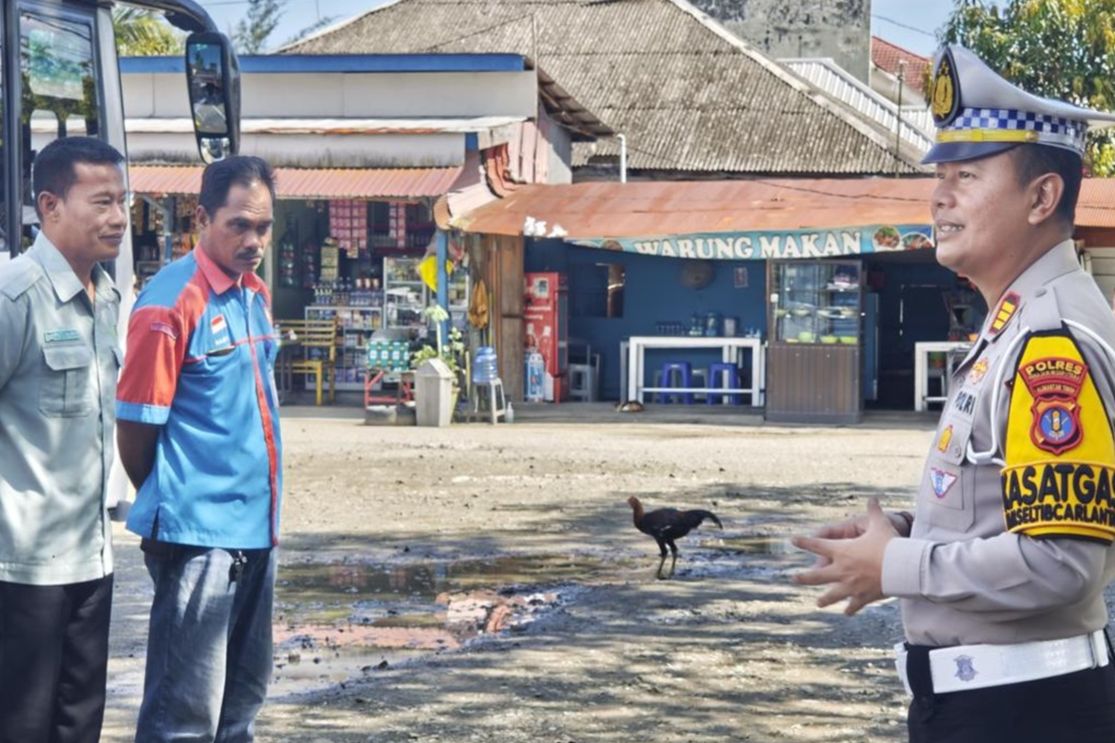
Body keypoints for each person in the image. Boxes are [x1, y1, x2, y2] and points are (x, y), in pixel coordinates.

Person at [793, 45, 1115, 743]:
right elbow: (1006, 511)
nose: (939, 196)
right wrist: (907, 533)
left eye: (966, 175)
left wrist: (896, 565)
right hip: (995, 703)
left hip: (1024, 712)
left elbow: (1059, 563)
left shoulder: (1050, 340)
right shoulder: (1014, 324)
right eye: (939, 176)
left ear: (1041, 198)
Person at [115, 156, 282, 742]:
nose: (253, 241)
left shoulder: (252, 294)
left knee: (240, 706)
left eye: (263, 227)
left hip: (257, 529)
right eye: (239, 225)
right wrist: (174, 499)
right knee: (183, 718)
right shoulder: (170, 303)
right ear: (201, 218)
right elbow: (136, 428)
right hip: (196, 538)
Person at [0, 136, 128, 743]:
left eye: (123, 202)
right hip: (20, 568)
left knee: (79, 725)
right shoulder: (15, 297)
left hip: (91, 557)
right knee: (21, 726)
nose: (119, 218)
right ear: (50, 206)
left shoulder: (107, 297)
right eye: (102, 202)